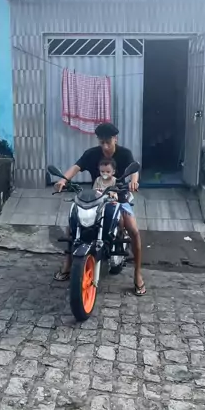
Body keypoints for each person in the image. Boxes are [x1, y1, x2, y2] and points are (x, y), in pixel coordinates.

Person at [53, 122, 146, 296]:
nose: (105, 146)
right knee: (73, 223)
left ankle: (137, 274)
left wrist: (134, 181)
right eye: (101, 142)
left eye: (108, 142)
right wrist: (63, 180)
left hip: (119, 197)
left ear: (115, 139)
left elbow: (134, 168)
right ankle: (68, 263)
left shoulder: (125, 153)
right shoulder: (91, 154)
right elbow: (76, 167)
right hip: (95, 198)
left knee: (133, 230)